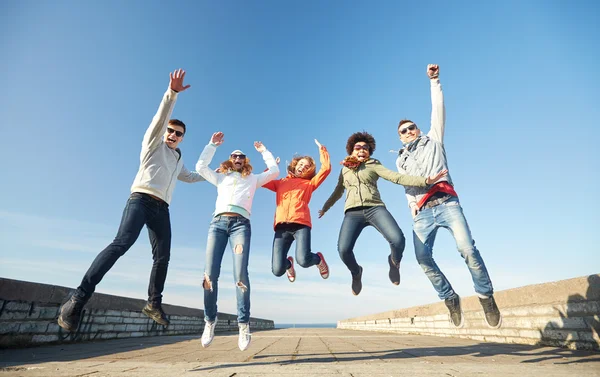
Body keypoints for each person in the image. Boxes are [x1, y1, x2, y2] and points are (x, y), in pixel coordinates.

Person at [58, 69, 204, 332]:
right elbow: (160, 119)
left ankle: (153, 303)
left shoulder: (178, 158)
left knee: (163, 257)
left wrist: (218, 174)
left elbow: (191, 177)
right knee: (121, 243)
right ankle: (77, 299)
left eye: (178, 133)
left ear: (182, 138)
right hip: (140, 200)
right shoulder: (153, 144)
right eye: (170, 131)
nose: (172, 135)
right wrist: (172, 94)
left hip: (162, 209)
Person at [395, 64, 501, 329]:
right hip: (423, 212)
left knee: (467, 249)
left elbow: (438, 109)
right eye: (403, 131)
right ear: (399, 137)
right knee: (422, 258)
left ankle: (486, 296)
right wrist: (411, 207)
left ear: (418, 129)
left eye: (411, 127)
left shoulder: (434, 139)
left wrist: (434, 81)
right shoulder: (400, 160)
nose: (408, 132)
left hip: (447, 204)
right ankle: (450, 298)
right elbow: (407, 186)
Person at [319, 131, 447, 296]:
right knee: (343, 250)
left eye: (366, 148)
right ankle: (356, 272)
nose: (362, 150)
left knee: (398, 240)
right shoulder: (344, 169)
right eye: (358, 147)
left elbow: (396, 177)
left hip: (375, 208)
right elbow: (338, 191)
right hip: (352, 213)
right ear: (351, 150)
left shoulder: (373, 164)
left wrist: (425, 181)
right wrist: (325, 207)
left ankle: (394, 262)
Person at [195, 131, 279, 351]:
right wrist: (212, 145)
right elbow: (200, 167)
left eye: (241, 156)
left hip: (241, 225)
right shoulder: (221, 177)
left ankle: (243, 324)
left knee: (240, 274)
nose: (238, 158)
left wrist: (264, 152)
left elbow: (275, 171)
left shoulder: (253, 179)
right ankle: (209, 321)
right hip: (217, 225)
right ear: (230, 160)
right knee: (209, 275)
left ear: (245, 161)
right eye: (234, 156)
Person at [262, 139, 331, 283]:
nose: (302, 168)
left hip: (301, 225)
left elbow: (326, 169)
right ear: (295, 164)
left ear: (309, 171)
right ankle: (288, 264)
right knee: (277, 270)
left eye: (306, 167)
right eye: (301, 164)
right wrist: (272, 167)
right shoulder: (281, 182)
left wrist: (322, 150)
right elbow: (264, 181)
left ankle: (318, 260)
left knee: (304, 260)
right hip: (282, 227)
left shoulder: (309, 184)